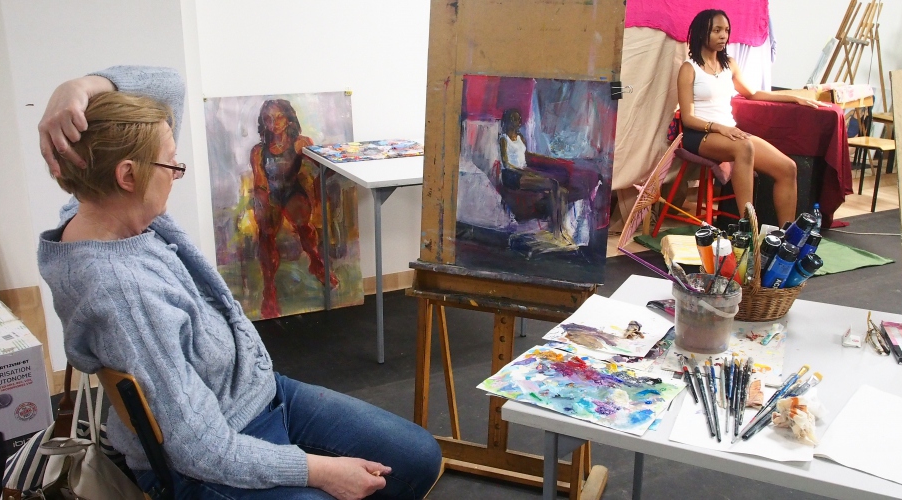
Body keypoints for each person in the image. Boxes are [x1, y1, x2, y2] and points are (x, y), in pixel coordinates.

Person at [36, 66, 442, 500]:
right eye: (171, 163)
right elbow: (201, 449)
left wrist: (80, 87)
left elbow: (169, 85)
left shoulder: (98, 206)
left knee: (418, 457)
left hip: (258, 394)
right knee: (357, 480)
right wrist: (319, 471)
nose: (176, 172)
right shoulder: (122, 293)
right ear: (128, 175)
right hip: (208, 457)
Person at [677, 9, 830, 227]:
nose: (723, 36)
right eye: (717, 30)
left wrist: (794, 98)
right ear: (702, 33)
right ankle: (747, 227)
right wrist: (719, 128)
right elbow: (688, 118)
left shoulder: (729, 64)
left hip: (730, 134)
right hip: (699, 134)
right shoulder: (689, 68)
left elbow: (753, 93)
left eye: (726, 30)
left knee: (788, 168)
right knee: (745, 147)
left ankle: (786, 235)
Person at [250, 99, 338, 319]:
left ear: (289, 118)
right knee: (266, 233)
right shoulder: (258, 151)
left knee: (302, 223)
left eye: (279, 117)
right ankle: (269, 289)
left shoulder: (301, 143)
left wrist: (317, 185)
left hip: (293, 191)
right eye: (268, 119)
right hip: (271, 194)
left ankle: (316, 263)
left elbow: (326, 166)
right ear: (263, 122)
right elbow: (260, 183)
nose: (274, 123)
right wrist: (262, 205)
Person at [497, 108, 569, 241]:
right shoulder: (503, 139)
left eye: (519, 119)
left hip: (523, 171)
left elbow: (525, 156)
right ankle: (556, 231)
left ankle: (560, 229)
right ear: (508, 121)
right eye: (514, 119)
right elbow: (506, 164)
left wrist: (542, 163)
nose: (518, 122)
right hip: (511, 175)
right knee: (553, 184)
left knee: (562, 192)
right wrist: (526, 172)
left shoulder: (520, 138)